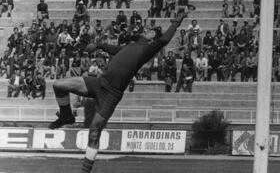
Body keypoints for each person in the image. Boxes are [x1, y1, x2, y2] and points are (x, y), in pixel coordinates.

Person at [48, 12, 187, 172]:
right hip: (100, 82)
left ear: (152, 38)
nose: (148, 29)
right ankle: (66, 116)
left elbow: (164, 40)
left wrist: (177, 22)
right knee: (58, 85)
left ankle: (85, 171)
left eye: (152, 30)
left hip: (111, 94)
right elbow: (115, 50)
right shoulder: (132, 45)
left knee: (94, 132)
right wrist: (98, 45)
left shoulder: (148, 49)